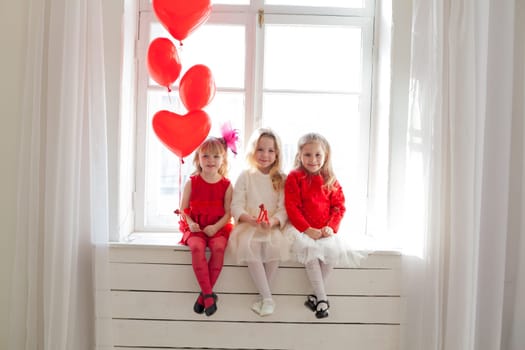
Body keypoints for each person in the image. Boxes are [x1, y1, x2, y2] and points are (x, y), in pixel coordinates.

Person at [284, 132, 359, 319]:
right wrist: (307, 229)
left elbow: (339, 206)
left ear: (326, 156)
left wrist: (330, 227)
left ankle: (315, 295)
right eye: (307, 155)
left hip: (324, 230)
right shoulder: (295, 177)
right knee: (310, 255)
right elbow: (292, 207)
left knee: (332, 254)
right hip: (302, 229)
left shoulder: (329, 178)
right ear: (299, 156)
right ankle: (323, 300)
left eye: (318, 155)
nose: (313, 159)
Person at [229, 128, 289, 316]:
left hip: (271, 224)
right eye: (260, 150)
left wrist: (272, 222)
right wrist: (250, 219)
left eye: (270, 150)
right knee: (252, 245)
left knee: (275, 247)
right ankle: (267, 298)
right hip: (249, 224)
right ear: (253, 151)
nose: (265, 155)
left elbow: (284, 208)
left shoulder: (281, 178)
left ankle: (264, 298)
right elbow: (236, 205)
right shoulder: (245, 175)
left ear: (277, 153)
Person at [178, 136, 234, 317]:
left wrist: (216, 227)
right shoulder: (192, 182)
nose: (211, 161)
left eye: (216, 157)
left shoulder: (226, 184)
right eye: (206, 156)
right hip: (196, 228)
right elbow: (183, 209)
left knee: (218, 248)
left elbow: (228, 213)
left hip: (217, 228)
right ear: (198, 159)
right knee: (196, 247)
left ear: (223, 159)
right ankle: (209, 295)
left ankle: (204, 297)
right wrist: (191, 223)